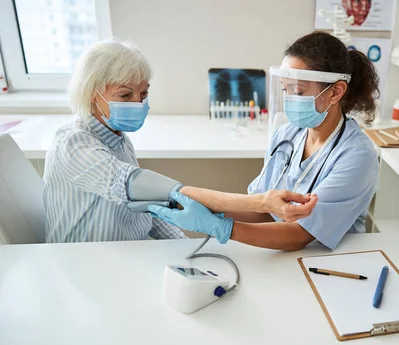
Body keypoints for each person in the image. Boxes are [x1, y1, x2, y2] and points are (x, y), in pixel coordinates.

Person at [43, 40, 316, 243]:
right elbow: (145, 187)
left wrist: (183, 247)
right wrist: (261, 203)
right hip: (85, 262)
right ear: (92, 94)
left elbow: (150, 211)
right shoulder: (73, 144)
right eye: (125, 96)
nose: (138, 104)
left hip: (130, 251)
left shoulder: (118, 140)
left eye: (143, 94)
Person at [150, 32, 380, 251]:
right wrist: (209, 211)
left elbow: (300, 235)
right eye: (285, 90)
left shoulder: (357, 155)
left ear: (336, 91)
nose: (290, 99)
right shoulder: (286, 136)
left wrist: (222, 228)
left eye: (298, 91)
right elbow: (264, 210)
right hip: (279, 254)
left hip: (331, 261)